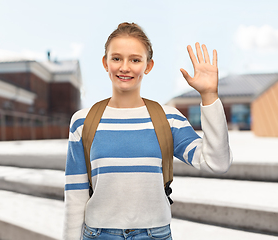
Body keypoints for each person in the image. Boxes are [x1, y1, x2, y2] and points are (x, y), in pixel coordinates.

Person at [63, 22, 232, 240]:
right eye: (116, 58)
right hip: (98, 234)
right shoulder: (83, 121)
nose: (125, 67)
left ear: (148, 65)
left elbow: (217, 163)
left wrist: (209, 95)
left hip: (155, 235)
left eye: (135, 59)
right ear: (105, 63)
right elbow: (75, 195)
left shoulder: (168, 119)